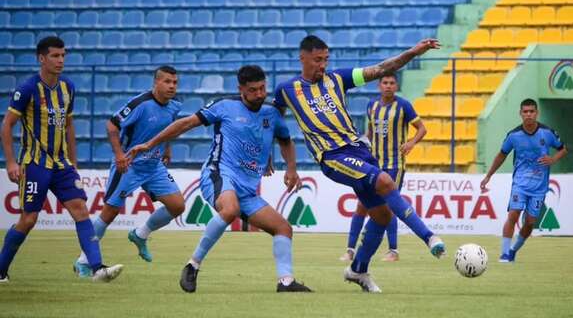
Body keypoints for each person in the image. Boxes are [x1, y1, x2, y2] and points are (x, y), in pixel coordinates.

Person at [273, 35, 445, 293]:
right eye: (318, 60)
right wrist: (288, 167)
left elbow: (382, 69)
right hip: (332, 156)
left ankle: (358, 270)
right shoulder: (287, 90)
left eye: (326, 59)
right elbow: (273, 124)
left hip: (359, 150)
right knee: (385, 181)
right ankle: (429, 236)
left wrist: (413, 52)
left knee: (383, 215)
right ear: (303, 58)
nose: (323, 65)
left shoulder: (338, 79)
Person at [127, 65, 312, 293]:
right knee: (230, 209)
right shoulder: (224, 106)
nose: (260, 94)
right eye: (253, 90)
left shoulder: (271, 113)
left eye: (263, 88)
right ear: (240, 88)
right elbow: (185, 123)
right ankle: (192, 265)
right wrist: (150, 143)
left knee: (283, 228)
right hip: (218, 173)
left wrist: (291, 169)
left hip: (246, 189)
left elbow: (285, 140)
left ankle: (286, 282)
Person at [0, 36, 123, 283]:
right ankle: (1, 269)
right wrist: (12, 162)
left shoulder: (68, 87)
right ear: (41, 59)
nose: (60, 60)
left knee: (81, 211)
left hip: (61, 164)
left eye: (63, 55)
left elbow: (68, 126)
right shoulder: (27, 89)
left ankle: (97, 268)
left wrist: (74, 164)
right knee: (28, 219)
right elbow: (7, 126)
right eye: (55, 56)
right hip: (34, 164)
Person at [73, 66, 185, 276]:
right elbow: (111, 125)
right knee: (110, 212)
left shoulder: (175, 105)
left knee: (178, 206)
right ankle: (83, 261)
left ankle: (141, 234)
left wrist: (167, 148)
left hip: (154, 165)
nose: (172, 86)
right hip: (129, 165)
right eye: (167, 81)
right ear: (156, 83)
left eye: (175, 82)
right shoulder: (140, 104)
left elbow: (168, 127)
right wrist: (118, 155)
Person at [340, 73, 427, 263]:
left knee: (388, 206)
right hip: (373, 164)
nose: (388, 86)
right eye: (385, 83)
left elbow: (422, 128)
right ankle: (349, 250)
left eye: (392, 83)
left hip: (395, 164)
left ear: (396, 86)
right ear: (379, 86)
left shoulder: (404, 106)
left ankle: (393, 251)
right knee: (362, 205)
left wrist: (411, 143)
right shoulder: (372, 106)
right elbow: (370, 133)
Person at [480, 98, 567, 263]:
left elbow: (563, 149)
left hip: (539, 187)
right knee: (513, 214)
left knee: (530, 222)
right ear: (520, 114)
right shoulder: (514, 136)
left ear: (537, 113)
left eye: (531, 111)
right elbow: (501, 155)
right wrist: (488, 175)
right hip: (520, 184)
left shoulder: (547, 133)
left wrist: (553, 159)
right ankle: (504, 253)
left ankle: (513, 250)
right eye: (525, 112)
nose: (528, 115)